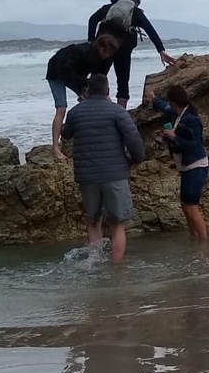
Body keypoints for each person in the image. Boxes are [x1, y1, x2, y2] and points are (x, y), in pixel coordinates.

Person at [60, 72, 145, 262]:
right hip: (115, 174)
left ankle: (95, 262)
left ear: (88, 91)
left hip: (87, 176)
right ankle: (116, 267)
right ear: (108, 90)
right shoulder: (117, 112)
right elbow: (133, 140)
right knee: (118, 224)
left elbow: (65, 133)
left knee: (93, 221)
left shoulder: (76, 112)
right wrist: (137, 159)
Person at [86, 0, 177, 107]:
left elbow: (92, 20)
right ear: (135, 4)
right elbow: (150, 30)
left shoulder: (108, 8)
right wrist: (161, 51)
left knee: (97, 79)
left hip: (104, 47)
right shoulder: (136, 12)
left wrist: (92, 41)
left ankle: (94, 108)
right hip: (123, 49)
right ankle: (120, 112)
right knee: (123, 83)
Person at [46, 33, 120, 159]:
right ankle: (55, 148)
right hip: (57, 71)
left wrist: (92, 91)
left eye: (110, 53)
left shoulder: (106, 59)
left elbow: (99, 79)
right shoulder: (80, 51)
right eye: (105, 52)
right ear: (99, 47)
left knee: (99, 100)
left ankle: (100, 138)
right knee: (61, 107)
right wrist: (84, 86)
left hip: (76, 75)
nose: (106, 55)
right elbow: (67, 71)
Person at [151, 84, 208, 242]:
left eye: (170, 102)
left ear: (174, 103)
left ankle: (203, 242)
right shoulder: (176, 114)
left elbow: (194, 145)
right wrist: (154, 100)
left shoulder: (192, 120)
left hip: (196, 165)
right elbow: (165, 108)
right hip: (186, 166)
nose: (169, 105)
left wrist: (174, 137)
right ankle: (194, 237)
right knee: (185, 205)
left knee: (191, 206)